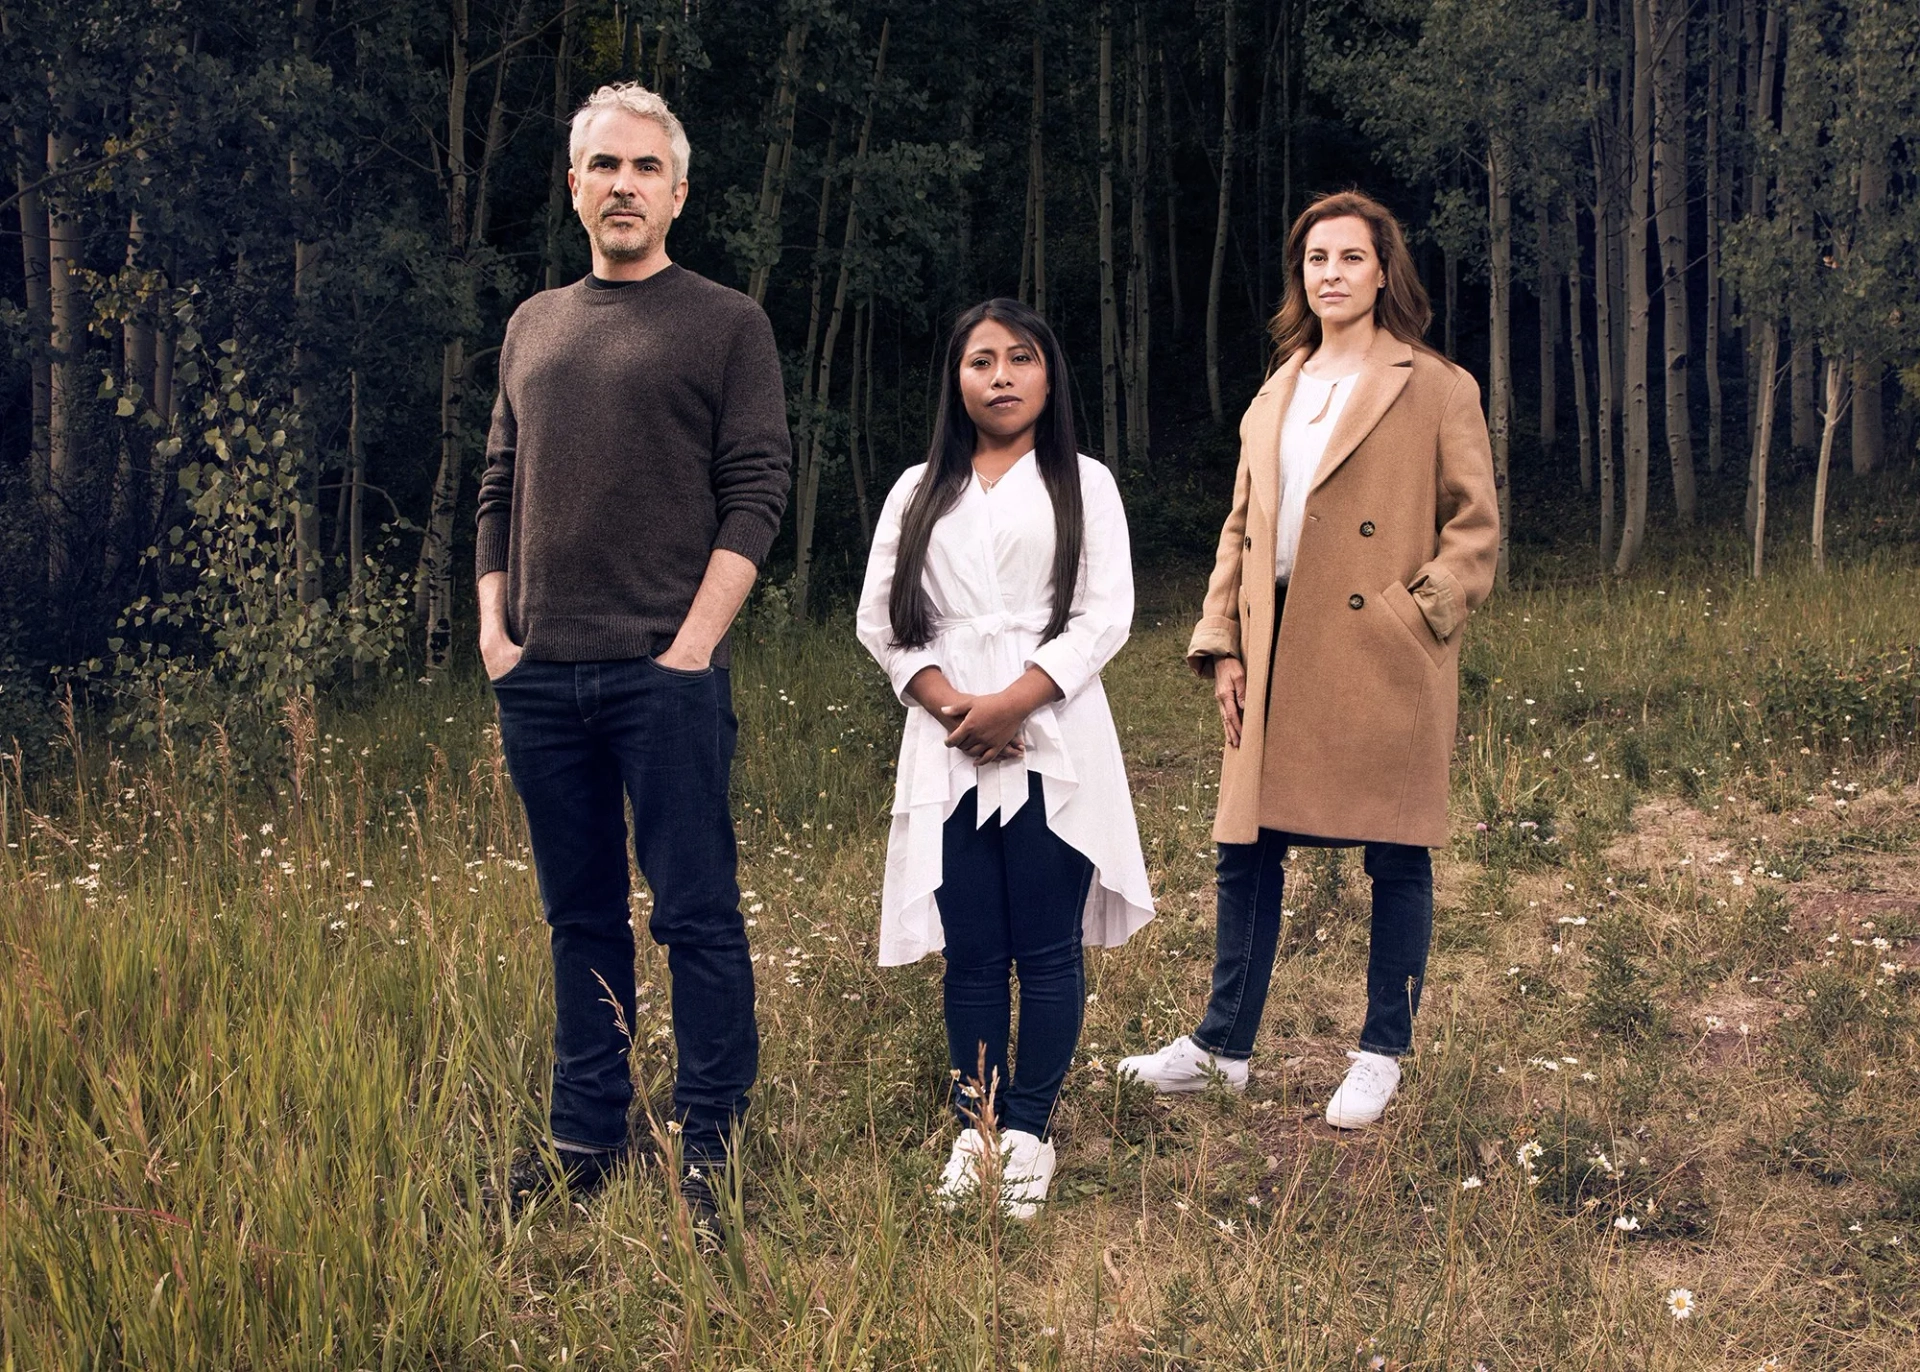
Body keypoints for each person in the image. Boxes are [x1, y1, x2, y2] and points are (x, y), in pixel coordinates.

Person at [474, 83, 791, 1218]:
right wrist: (494, 633)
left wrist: (693, 647)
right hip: (541, 678)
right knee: (580, 916)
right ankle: (584, 1136)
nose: (623, 184)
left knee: (694, 912)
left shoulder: (726, 322)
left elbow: (757, 493)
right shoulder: (533, 324)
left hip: (666, 671)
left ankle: (714, 1143)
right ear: (573, 187)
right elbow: (497, 483)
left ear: (679, 193)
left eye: (644, 168)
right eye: (602, 165)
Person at [1118, 190, 1497, 1129]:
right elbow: (1242, 528)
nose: (1331, 274)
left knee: (1398, 850)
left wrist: (1421, 617)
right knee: (1245, 847)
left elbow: (1475, 529)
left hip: (1379, 643)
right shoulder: (1275, 389)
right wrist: (1224, 644)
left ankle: (1381, 1052)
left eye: (1350, 258)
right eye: (1316, 260)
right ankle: (1221, 1048)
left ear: (1383, 271)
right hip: (1276, 636)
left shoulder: (1438, 386)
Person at [857, 299, 1153, 1217]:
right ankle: (974, 1128)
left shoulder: (1084, 481)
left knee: (1046, 945)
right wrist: (956, 707)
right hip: (947, 741)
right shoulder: (918, 489)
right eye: (981, 360)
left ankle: (1028, 1130)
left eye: (1020, 358)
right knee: (975, 953)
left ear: (1048, 375)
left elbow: (1105, 612)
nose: (1001, 376)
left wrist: (1016, 702)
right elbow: (880, 619)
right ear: (956, 379)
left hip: (1052, 734)